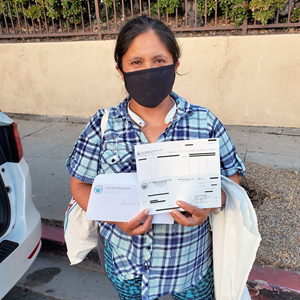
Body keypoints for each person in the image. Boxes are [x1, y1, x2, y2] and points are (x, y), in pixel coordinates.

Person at [66, 15, 245, 300]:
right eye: (136, 63)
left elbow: (231, 181)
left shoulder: (205, 122)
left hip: (190, 265)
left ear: (175, 64)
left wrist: (208, 206)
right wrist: (115, 218)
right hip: (127, 265)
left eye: (159, 61)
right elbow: (80, 186)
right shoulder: (102, 125)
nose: (148, 70)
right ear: (120, 70)